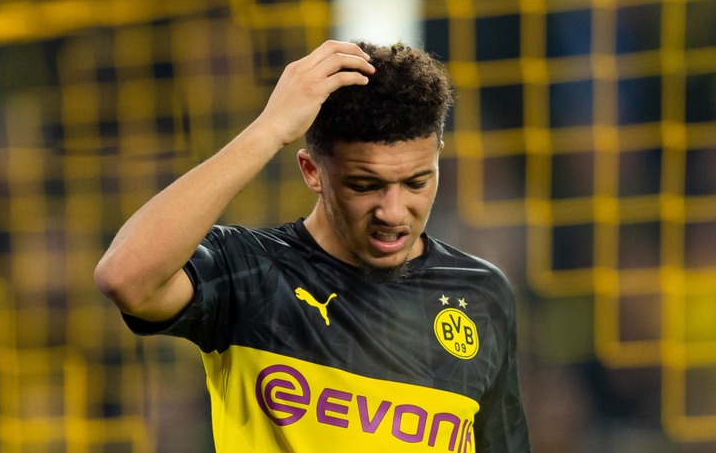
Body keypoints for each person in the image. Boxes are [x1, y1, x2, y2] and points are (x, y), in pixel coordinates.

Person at [94, 39, 530, 452]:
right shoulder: (250, 273)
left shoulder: (480, 292)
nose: (393, 212)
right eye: (365, 185)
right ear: (312, 171)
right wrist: (268, 130)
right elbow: (125, 278)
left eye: (417, 182)